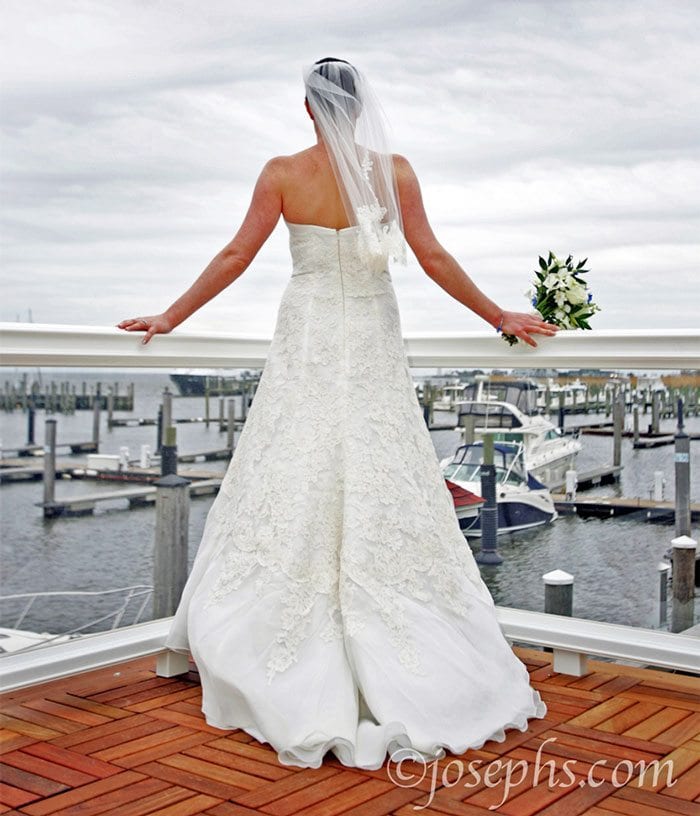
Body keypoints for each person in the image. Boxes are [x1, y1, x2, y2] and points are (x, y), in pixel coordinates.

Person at [117, 58, 551, 771]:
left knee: (295, 455)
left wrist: (171, 315)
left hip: (311, 330)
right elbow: (431, 255)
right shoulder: (395, 172)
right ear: (358, 107)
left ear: (309, 108)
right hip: (372, 331)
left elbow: (236, 253)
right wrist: (497, 313)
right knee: (379, 456)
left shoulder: (283, 172)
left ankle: (267, 636)